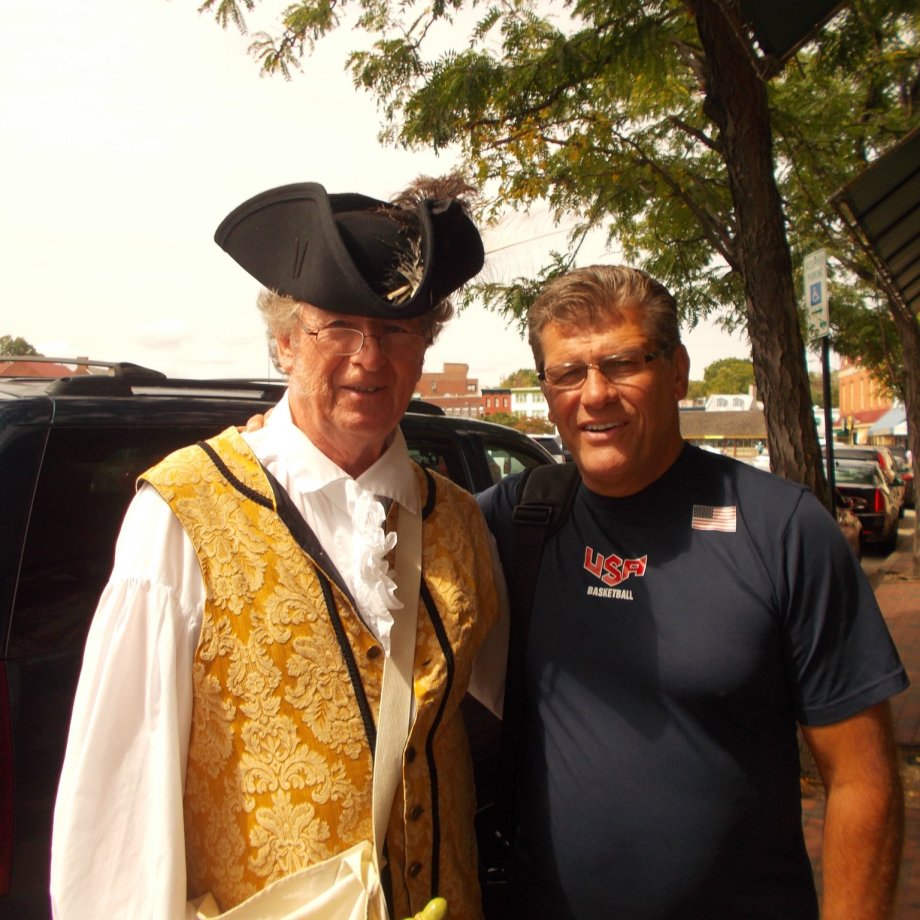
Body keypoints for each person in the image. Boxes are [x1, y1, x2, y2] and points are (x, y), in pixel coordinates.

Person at [50, 175, 505, 919]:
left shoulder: (456, 518)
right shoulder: (180, 514)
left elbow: (534, 706)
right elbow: (122, 798)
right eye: (338, 328)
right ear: (287, 343)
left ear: (424, 349)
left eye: (397, 331)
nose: (369, 358)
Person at [478, 265, 907, 920]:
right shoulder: (513, 521)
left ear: (676, 371)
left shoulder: (780, 529)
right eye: (568, 373)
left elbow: (861, 779)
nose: (594, 395)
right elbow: (378, 537)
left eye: (622, 364)